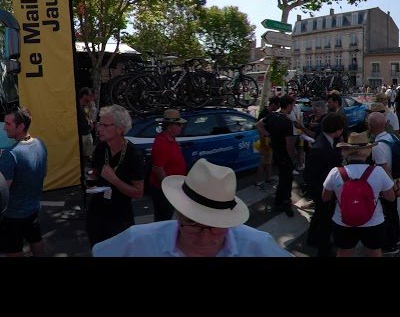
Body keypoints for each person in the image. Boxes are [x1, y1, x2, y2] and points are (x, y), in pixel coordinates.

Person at [92, 159, 293, 257]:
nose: (204, 238)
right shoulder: (137, 241)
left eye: (215, 226)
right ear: (179, 214)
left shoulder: (257, 246)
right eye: (193, 224)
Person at [321, 131, 395, 257]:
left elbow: (325, 198)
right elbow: (391, 198)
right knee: (374, 253)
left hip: (343, 221)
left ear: (346, 151)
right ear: (367, 151)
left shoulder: (335, 172)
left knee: (344, 253)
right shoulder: (378, 172)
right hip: (373, 221)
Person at [85, 104, 145, 247]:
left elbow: (138, 193)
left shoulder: (133, 154)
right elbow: (94, 173)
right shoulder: (101, 148)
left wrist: (114, 180)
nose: (99, 129)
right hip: (96, 213)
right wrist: (90, 178)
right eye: (100, 124)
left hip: (120, 218)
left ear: (120, 129)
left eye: (105, 126)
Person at [0, 108, 48, 257]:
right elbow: (44, 173)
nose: (4, 127)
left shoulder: (11, 154)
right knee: (35, 239)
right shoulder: (40, 144)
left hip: (13, 215)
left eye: (8, 124)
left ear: (20, 127)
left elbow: (3, 193)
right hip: (33, 208)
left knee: (13, 250)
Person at [303, 112, 346, 257]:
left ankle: (312, 238)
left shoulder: (327, 141)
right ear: (337, 130)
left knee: (319, 216)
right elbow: (310, 174)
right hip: (322, 190)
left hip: (323, 188)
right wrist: (321, 194)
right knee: (325, 222)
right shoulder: (321, 148)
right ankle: (324, 250)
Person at [368, 111, 400, 255]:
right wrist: (399, 182)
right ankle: (396, 238)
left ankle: (390, 245)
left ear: (370, 126)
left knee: (387, 215)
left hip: (387, 186)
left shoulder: (377, 146)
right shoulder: (391, 137)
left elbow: (384, 170)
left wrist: (393, 188)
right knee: (393, 213)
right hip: (395, 181)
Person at [256, 94, 297, 218]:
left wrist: (268, 134)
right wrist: (293, 157)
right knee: (286, 179)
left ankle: (282, 200)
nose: (293, 108)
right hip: (285, 155)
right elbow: (289, 144)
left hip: (276, 152)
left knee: (284, 178)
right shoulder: (286, 122)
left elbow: (258, 125)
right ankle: (282, 202)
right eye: (293, 105)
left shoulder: (272, 116)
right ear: (288, 105)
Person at [149, 109, 187, 222]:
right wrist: (169, 188)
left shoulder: (170, 139)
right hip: (163, 191)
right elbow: (157, 169)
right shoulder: (162, 143)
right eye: (179, 124)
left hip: (172, 187)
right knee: (163, 218)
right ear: (170, 126)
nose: (182, 127)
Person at [255, 96, 280, 190]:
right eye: (277, 106)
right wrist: (265, 139)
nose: (278, 108)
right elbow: (259, 128)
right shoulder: (264, 113)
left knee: (269, 161)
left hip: (270, 140)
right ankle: (258, 181)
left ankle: (268, 178)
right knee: (263, 162)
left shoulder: (271, 113)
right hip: (264, 140)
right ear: (273, 104)